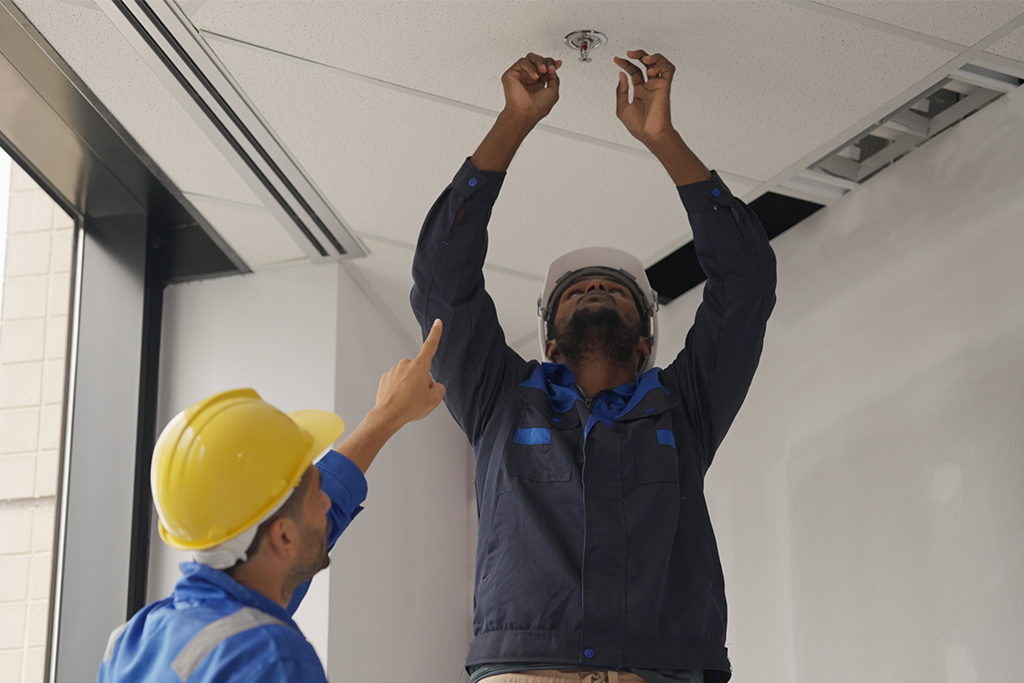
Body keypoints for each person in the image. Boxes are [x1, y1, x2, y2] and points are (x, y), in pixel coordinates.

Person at [411, 51, 776, 683]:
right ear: (551, 343)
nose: (596, 289)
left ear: (644, 341)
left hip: (659, 669)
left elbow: (745, 284)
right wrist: (513, 122)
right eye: (577, 291)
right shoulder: (501, 401)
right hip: (530, 670)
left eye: (614, 289)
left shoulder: (685, 409)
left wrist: (663, 141)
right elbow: (443, 285)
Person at [97, 320, 446, 682]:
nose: (328, 505)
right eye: (317, 498)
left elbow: (302, 516)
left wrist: (387, 415)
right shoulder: (274, 660)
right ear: (283, 537)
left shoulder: (132, 641)